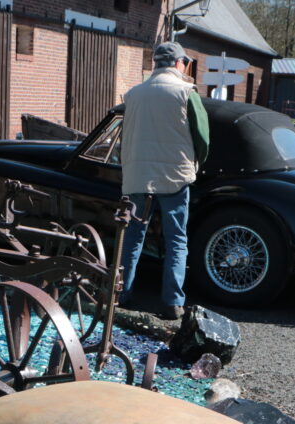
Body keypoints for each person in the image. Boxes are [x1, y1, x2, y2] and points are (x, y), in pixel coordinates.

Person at [119, 41, 209, 320]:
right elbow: (203, 138)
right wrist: (196, 164)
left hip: (138, 176)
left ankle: (121, 295)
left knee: (132, 237)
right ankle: (172, 301)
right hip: (175, 177)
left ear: (156, 64)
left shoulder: (133, 94)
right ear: (179, 63)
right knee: (176, 240)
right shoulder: (186, 92)